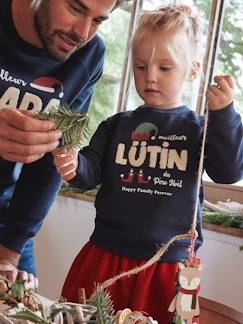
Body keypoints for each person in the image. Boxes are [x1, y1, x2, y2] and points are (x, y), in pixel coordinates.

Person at [53, 4, 243, 324]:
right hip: (104, 257)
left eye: (165, 68)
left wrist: (224, 114)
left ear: (193, 70)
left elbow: (229, 171)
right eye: (141, 66)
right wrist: (73, 164)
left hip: (167, 269)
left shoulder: (199, 129)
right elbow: (91, 171)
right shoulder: (116, 125)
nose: (149, 77)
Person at [0, 0, 128, 286]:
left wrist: (9, 252)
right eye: (76, 8)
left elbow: (52, 161)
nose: (82, 33)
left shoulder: (90, 56)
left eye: (98, 21)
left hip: (9, 222)